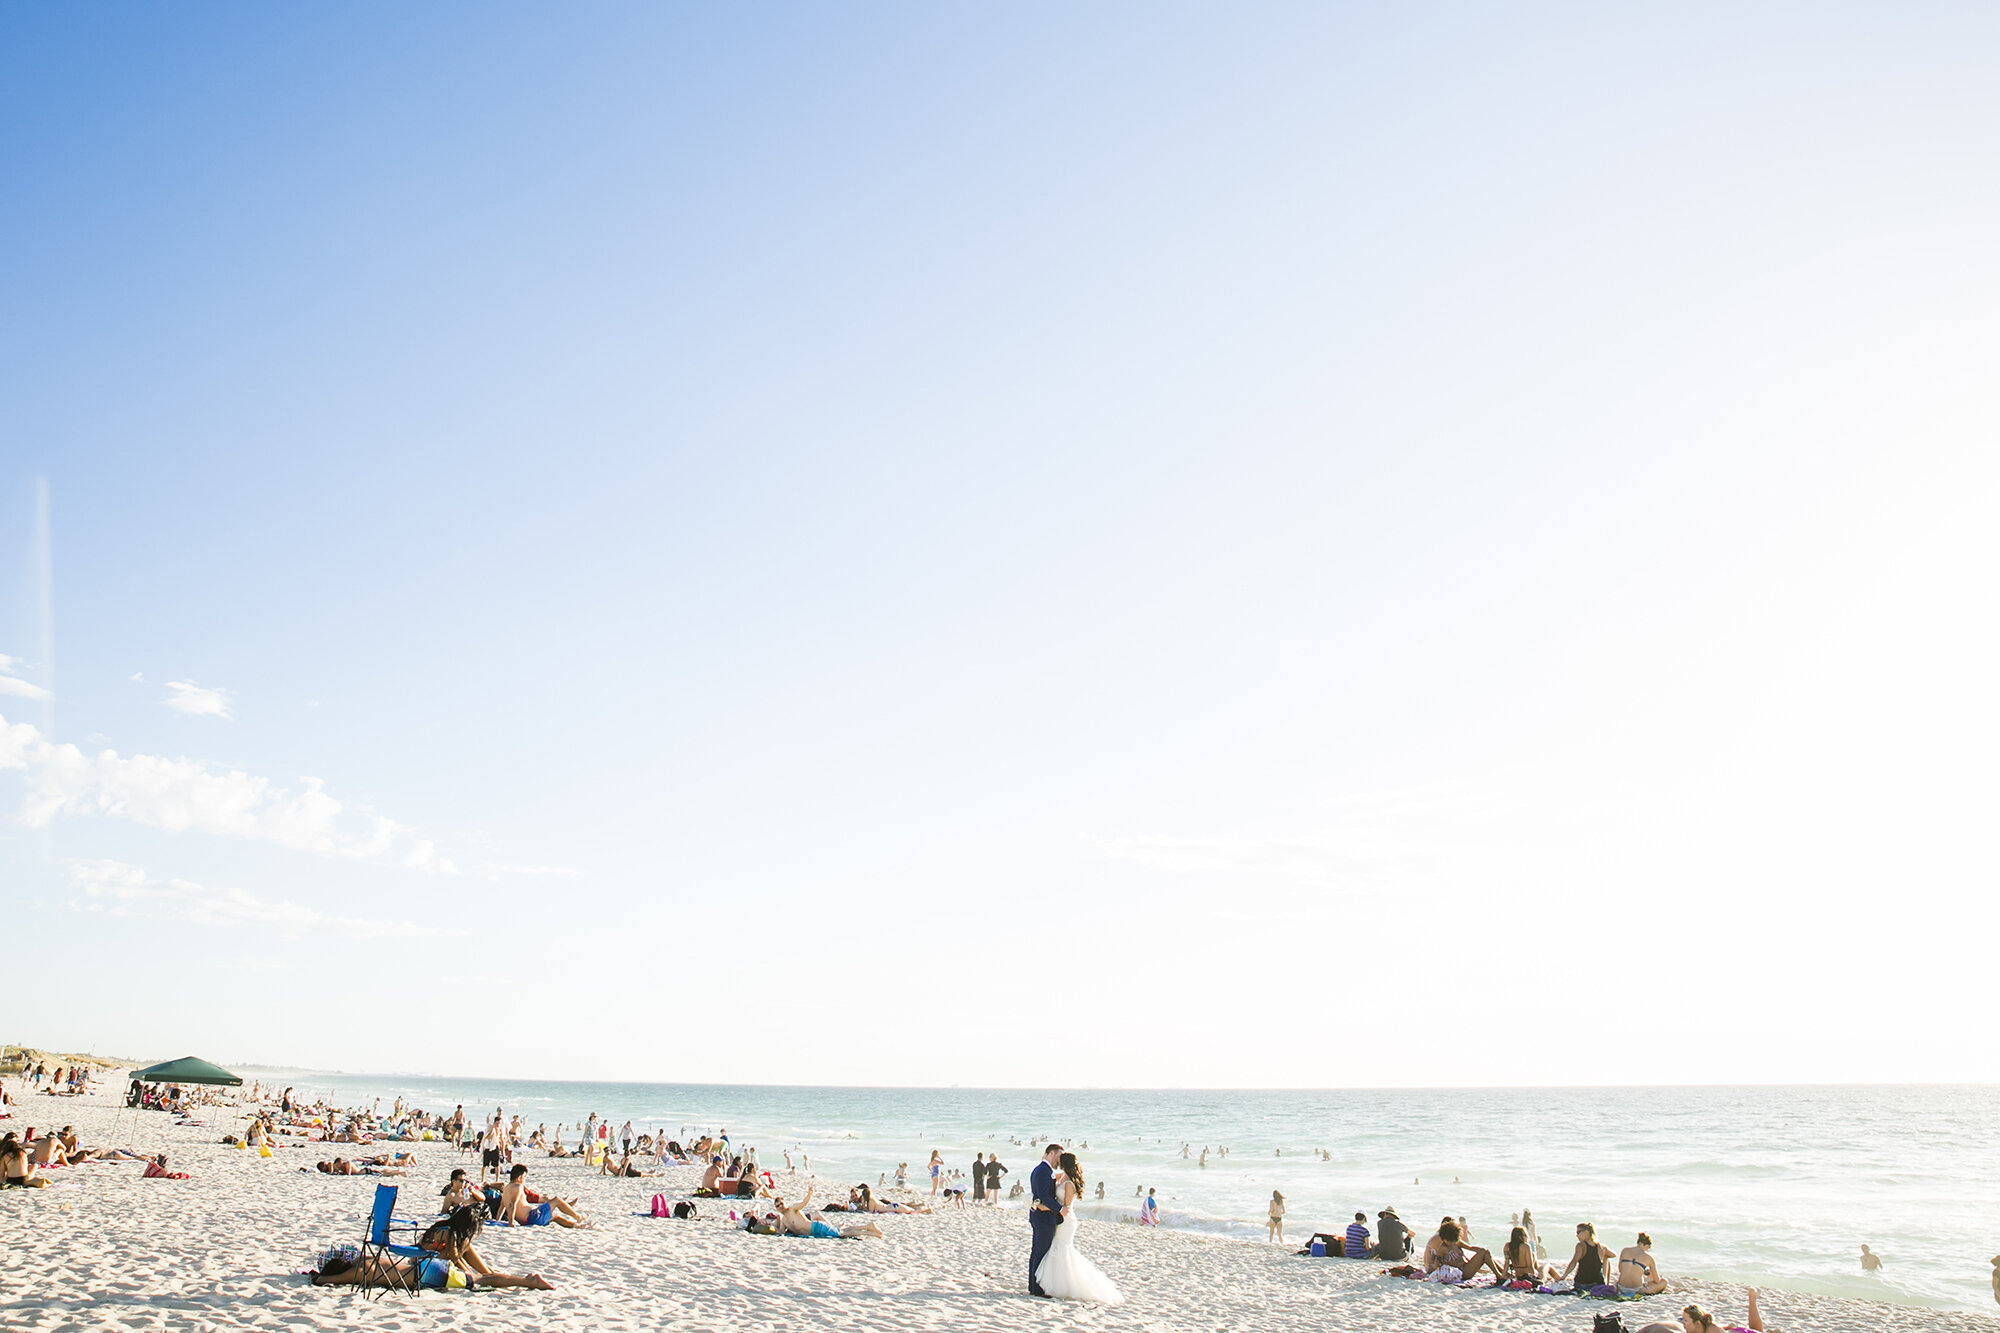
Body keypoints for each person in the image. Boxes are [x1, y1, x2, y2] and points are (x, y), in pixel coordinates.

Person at [312, 1206, 553, 1291]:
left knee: (480, 1279)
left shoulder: (360, 1270)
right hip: (423, 1267)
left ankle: (528, 1281)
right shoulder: (366, 1259)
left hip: (427, 1274)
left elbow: (325, 1280)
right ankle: (526, 1280)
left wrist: (324, 1277)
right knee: (480, 1277)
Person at [1034, 1150, 1124, 1303]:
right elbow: (1045, 1178)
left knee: (1062, 1249)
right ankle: (1055, 1284)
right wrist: (1044, 1160)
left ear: (1065, 1164)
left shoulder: (1069, 1184)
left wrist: (1046, 1208)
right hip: (1059, 1218)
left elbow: (1066, 1207)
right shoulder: (1062, 1177)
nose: (1058, 1162)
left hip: (1066, 1221)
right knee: (1057, 1250)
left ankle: (1066, 1286)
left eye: (1060, 1160)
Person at [500, 1164, 588, 1227]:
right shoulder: (518, 1186)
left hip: (526, 1220)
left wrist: (497, 1220)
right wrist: (511, 1223)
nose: (524, 1179)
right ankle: (578, 1217)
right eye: (524, 1177)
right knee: (556, 1200)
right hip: (532, 1217)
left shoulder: (506, 1188)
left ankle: (576, 1226)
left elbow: (502, 1207)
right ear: (519, 1178)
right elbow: (512, 1205)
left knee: (555, 1216)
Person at [1426, 1220, 1505, 1281]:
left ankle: (1502, 1272)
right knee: (1483, 1253)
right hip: (1461, 1273)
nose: (1450, 1243)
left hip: (1465, 1267)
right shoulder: (1443, 1248)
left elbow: (1470, 1248)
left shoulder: (1456, 1242)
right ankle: (1499, 1276)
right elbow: (1436, 1264)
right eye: (1448, 1241)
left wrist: (1481, 1250)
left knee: (1484, 1252)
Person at [1558, 1222, 1615, 1291]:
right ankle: (1606, 1282)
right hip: (1598, 1284)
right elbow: (1613, 1255)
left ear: (1586, 1232)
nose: (1577, 1235)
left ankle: (1606, 1281)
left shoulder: (1581, 1246)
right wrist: (1604, 1257)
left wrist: (1564, 1276)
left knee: (1606, 1257)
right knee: (1606, 1257)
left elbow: (1574, 1262)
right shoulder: (1602, 1247)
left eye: (1578, 1232)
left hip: (1583, 1284)